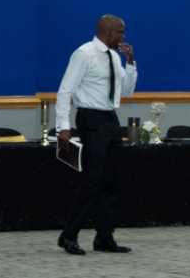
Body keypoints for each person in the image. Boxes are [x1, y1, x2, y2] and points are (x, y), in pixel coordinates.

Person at [55, 14, 138, 257]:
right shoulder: (84, 54)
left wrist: (130, 62)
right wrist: (63, 126)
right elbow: (65, 90)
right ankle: (68, 235)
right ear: (108, 32)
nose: (123, 36)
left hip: (111, 119)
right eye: (120, 32)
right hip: (90, 119)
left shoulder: (114, 56)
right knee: (92, 180)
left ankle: (104, 237)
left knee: (111, 181)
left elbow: (127, 92)